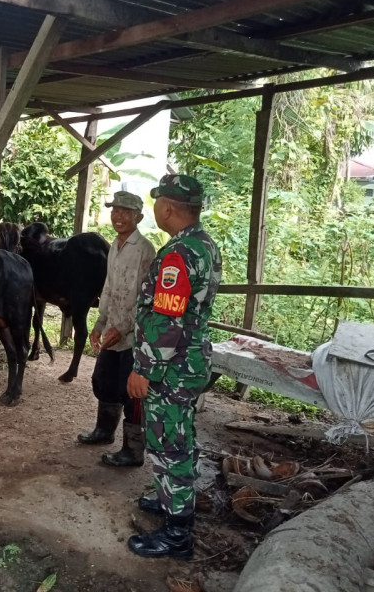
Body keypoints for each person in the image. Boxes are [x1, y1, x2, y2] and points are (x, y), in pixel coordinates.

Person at [126, 174, 222, 559]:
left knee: (170, 444)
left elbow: (168, 322)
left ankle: (177, 533)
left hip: (171, 366)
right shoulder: (204, 245)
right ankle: (171, 498)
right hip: (190, 360)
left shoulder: (177, 255)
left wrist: (144, 369)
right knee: (180, 433)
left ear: (166, 207)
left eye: (156, 204)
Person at [78, 191, 156, 468]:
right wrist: (99, 324)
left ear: (139, 216)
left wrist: (122, 328)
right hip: (113, 330)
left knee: (132, 392)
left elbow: (149, 300)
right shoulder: (115, 245)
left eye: (125, 211)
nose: (118, 216)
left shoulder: (145, 250)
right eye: (115, 210)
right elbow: (109, 289)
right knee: (103, 381)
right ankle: (104, 431)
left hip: (135, 336)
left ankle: (133, 451)